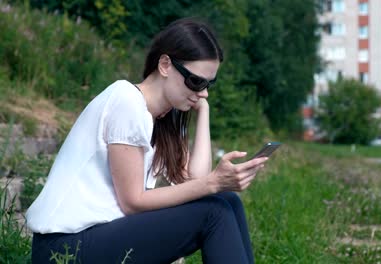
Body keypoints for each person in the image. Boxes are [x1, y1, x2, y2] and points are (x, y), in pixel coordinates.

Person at [26, 17, 268, 263]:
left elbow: (196, 181)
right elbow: (133, 202)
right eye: (196, 81)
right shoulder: (126, 100)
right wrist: (214, 183)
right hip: (64, 248)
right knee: (214, 212)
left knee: (226, 201)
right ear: (165, 65)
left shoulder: (164, 118)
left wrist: (203, 111)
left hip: (100, 237)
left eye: (209, 84)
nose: (203, 91)